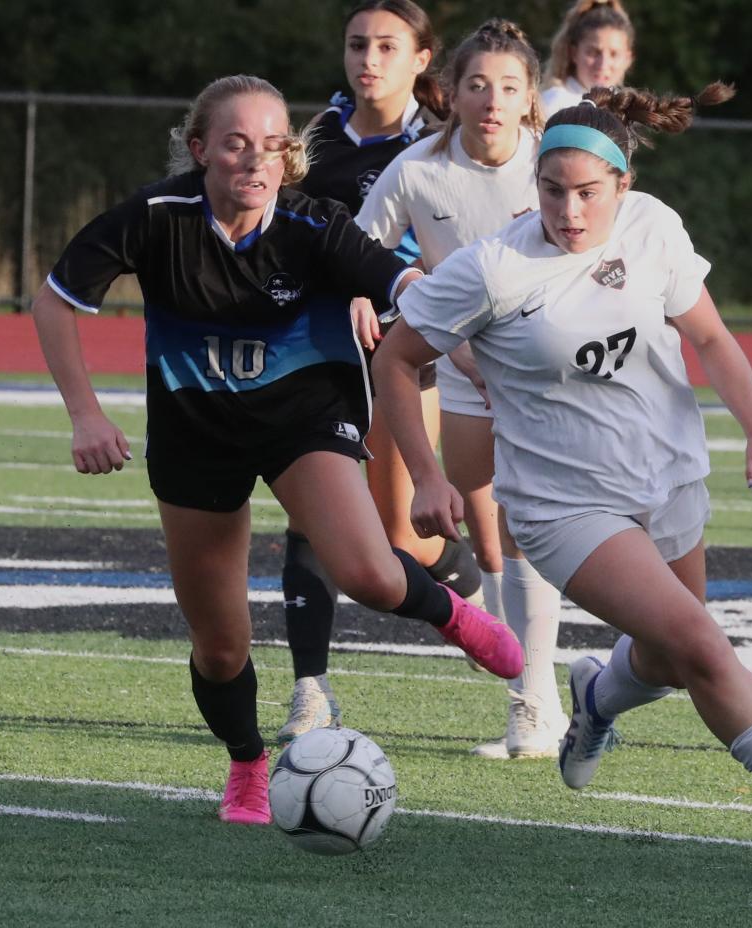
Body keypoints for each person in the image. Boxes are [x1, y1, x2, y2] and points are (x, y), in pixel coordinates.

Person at [372, 82, 752, 864]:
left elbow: (710, 339)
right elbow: (397, 358)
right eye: (552, 191)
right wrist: (428, 473)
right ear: (534, 184)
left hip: (670, 478)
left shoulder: (654, 229)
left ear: (624, 186)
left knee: (672, 659)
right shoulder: (493, 267)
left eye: (588, 193)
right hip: (563, 507)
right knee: (702, 644)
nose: (569, 212)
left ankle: (596, 697)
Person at [30, 74, 522, 827]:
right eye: (234, 144)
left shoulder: (314, 225)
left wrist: (464, 354)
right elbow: (56, 300)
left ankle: (452, 616)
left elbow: (412, 291)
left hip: (303, 416)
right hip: (196, 429)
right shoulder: (157, 217)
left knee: (367, 570)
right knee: (221, 646)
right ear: (199, 151)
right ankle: (248, 762)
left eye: (272, 145)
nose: (255, 161)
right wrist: (85, 415)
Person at [356, 18, 569, 760]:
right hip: (467, 375)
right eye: (476, 84)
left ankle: (534, 701)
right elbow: (356, 248)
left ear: (530, 98)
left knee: (522, 518)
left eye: (509, 87)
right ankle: (515, 653)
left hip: (549, 372)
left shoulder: (551, 163)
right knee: (481, 522)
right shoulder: (417, 169)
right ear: (447, 92)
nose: (491, 99)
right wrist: (370, 290)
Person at [276, 0, 484, 746]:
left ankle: (465, 592)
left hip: (402, 355)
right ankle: (309, 690)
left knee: (409, 538)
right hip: (317, 351)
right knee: (310, 515)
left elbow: (452, 257)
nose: (369, 59)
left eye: (387, 46)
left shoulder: (434, 146)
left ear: (422, 58)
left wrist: (388, 288)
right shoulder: (312, 139)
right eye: (358, 44)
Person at [541, 1, 635, 118]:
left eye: (614, 54)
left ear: (628, 59)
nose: (603, 64)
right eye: (594, 52)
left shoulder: (626, 109)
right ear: (574, 53)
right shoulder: (554, 104)